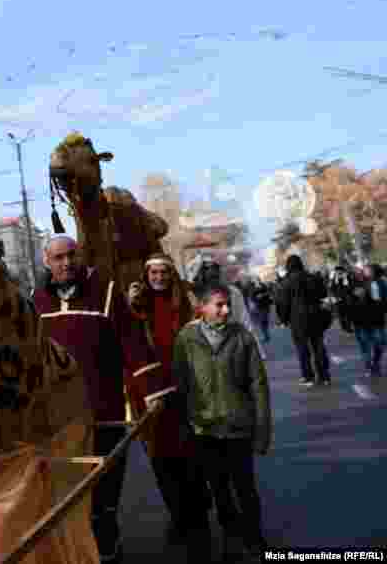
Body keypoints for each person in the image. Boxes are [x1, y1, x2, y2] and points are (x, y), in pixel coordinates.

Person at [33, 236, 173, 564]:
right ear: (46, 262)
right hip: (58, 421)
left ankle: (108, 554)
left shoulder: (105, 292)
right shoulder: (35, 301)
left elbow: (132, 343)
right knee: (67, 500)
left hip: (104, 416)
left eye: (71, 256)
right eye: (58, 258)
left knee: (103, 500)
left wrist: (153, 390)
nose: (66, 263)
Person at [173, 283, 271, 559]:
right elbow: (181, 385)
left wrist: (262, 431)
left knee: (245, 488)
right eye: (219, 305)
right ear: (201, 308)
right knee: (219, 490)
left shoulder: (243, 337)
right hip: (204, 430)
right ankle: (231, 535)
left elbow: (258, 386)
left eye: (227, 304)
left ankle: (254, 537)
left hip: (238, 428)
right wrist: (185, 428)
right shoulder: (186, 338)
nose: (226, 310)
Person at [127, 253, 211, 551]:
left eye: (164, 272)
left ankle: (198, 510)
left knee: (191, 451)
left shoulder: (185, 302)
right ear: (147, 275)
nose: (159, 277)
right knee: (161, 457)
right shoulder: (137, 306)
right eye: (154, 273)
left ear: (171, 274)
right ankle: (178, 515)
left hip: (188, 387)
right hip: (154, 392)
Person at [275, 255, 331, 386]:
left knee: (302, 348)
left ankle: (308, 376)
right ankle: (324, 375)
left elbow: (282, 303)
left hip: (297, 319)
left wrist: (283, 319)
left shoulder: (286, 282)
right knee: (318, 345)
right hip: (316, 315)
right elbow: (323, 294)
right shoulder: (312, 277)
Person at [351, 265, 386, 377]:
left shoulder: (381, 283)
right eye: (365, 270)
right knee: (365, 346)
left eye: (368, 270)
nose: (366, 272)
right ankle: (369, 366)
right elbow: (348, 300)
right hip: (360, 320)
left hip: (377, 319)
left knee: (380, 343)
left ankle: (375, 363)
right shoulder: (355, 284)